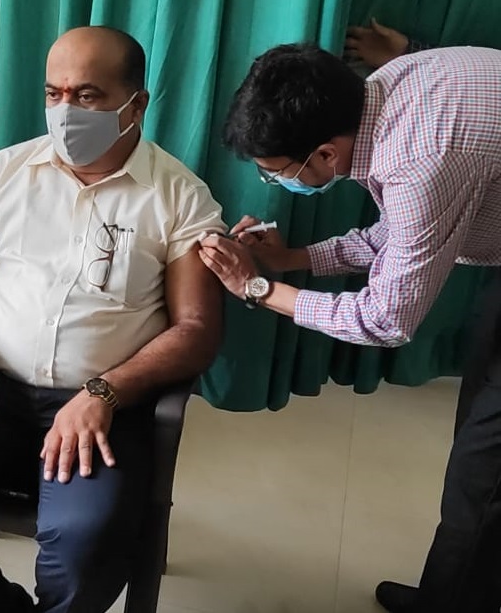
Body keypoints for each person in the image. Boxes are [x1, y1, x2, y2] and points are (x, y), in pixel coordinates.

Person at [0, 26, 225, 613]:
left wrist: (104, 392)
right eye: (54, 94)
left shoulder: (179, 197)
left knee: (87, 548)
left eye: (87, 96)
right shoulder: (7, 173)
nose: (65, 112)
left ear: (137, 104)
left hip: (100, 404)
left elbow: (196, 330)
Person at [199, 43, 501, 613]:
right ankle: (462, 591)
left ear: (324, 155)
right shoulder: (388, 89)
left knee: (484, 468)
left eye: (276, 174)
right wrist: (291, 260)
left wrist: (257, 290)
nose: (274, 184)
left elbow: (386, 320)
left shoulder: (422, 159)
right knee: (480, 443)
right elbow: (402, 237)